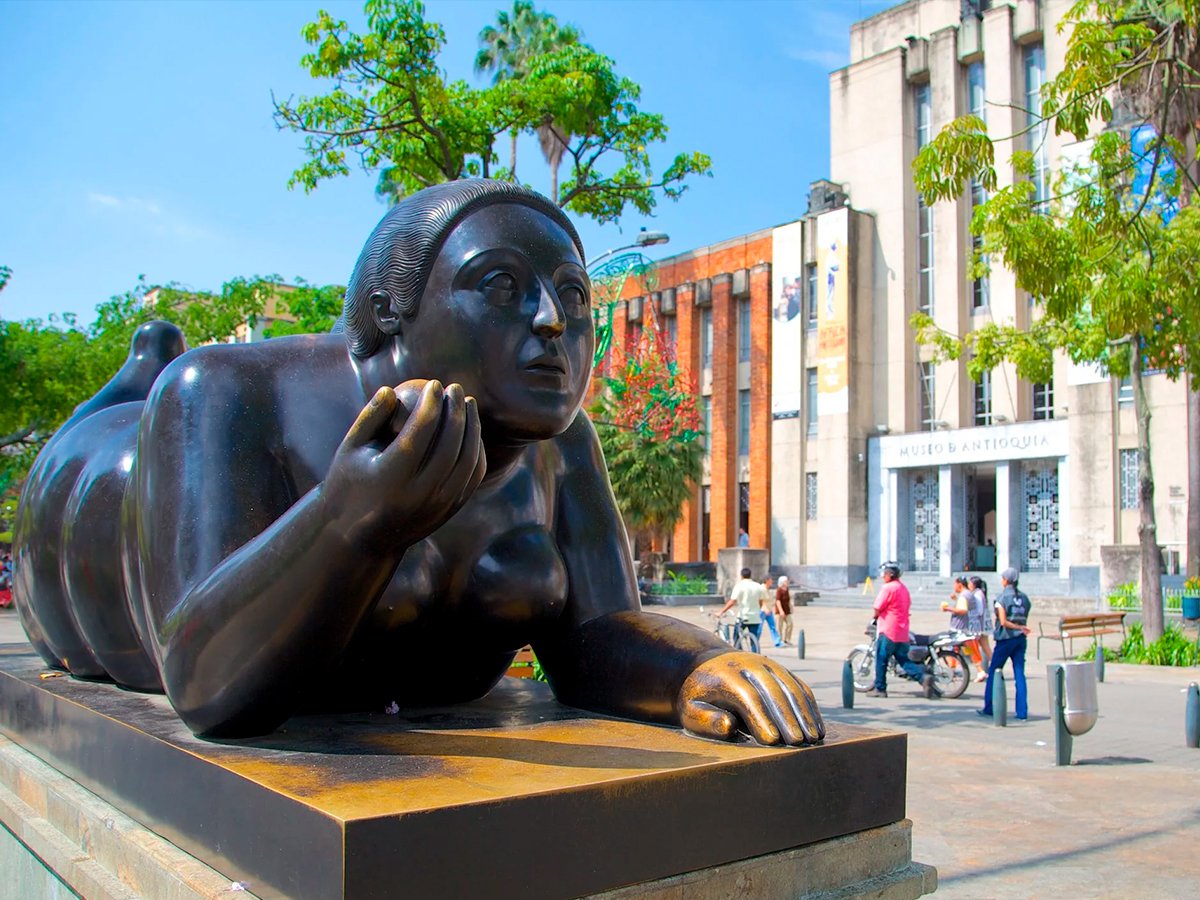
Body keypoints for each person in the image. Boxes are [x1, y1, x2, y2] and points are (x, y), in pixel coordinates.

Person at [13, 180, 823, 747]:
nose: (551, 320)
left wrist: (695, 669)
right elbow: (201, 684)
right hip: (85, 504)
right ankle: (138, 367)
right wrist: (347, 520)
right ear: (395, 316)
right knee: (115, 425)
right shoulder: (227, 392)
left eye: (574, 298)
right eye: (501, 286)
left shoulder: (558, 446)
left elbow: (595, 635)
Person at [866, 562, 936, 698]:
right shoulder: (903, 588)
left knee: (881, 659)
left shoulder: (888, 588)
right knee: (903, 660)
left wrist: (874, 616)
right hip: (902, 631)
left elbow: (878, 607)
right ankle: (923, 678)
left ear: (890, 575)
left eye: (885, 574)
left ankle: (880, 688)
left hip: (888, 630)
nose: (883, 576)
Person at [979, 567, 1032, 720]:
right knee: (1019, 674)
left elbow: (1003, 622)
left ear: (1006, 581)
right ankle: (1022, 712)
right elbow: (1025, 614)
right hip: (1020, 640)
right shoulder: (1024, 598)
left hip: (1005, 639)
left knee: (994, 671)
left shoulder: (1001, 598)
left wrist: (1017, 627)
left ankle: (989, 707)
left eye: (1003, 578)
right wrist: (1021, 628)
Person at [942, 575, 987, 682]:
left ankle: (952, 671)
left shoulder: (963, 596)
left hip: (960, 629)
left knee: (951, 648)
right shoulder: (968, 594)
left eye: (955, 584)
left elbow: (963, 610)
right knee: (967, 650)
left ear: (959, 584)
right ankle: (979, 671)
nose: (954, 586)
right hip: (968, 628)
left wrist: (948, 609)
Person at [718, 567, 765, 648]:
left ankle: (739, 653)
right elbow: (761, 602)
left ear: (742, 576)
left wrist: (721, 612)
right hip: (755, 617)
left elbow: (732, 601)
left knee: (736, 638)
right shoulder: (758, 586)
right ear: (750, 575)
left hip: (743, 616)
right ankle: (755, 655)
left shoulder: (739, 586)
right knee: (754, 640)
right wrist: (758, 609)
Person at [968, 575, 993, 682]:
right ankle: (996, 667)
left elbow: (979, 611)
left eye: (969, 583)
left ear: (973, 584)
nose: (968, 585)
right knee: (986, 648)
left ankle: (981, 670)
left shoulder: (977, 595)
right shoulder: (980, 593)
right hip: (983, 626)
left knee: (971, 648)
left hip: (978, 627)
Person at [760, 576, 782, 647]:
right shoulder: (761, 589)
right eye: (771, 580)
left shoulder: (767, 589)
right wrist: (765, 608)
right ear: (767, 581)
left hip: (769, 611)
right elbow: (761, 600)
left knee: (772, 627)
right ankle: (755, 641)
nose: (772, 582)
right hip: (762, 611)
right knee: (759, 628)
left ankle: (777, 641)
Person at [775, 575, 794, 646]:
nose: (787, 582)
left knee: (790, 624)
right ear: (782, 582)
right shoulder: (779, 590)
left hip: (787, 610)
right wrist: (781, 611)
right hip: (780, 611)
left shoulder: (787, 589)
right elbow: (778, 601)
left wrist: (791, 607)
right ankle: (779, 640)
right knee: (779, 626)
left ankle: (787, 639)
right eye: (786, 581)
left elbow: (788, 600)